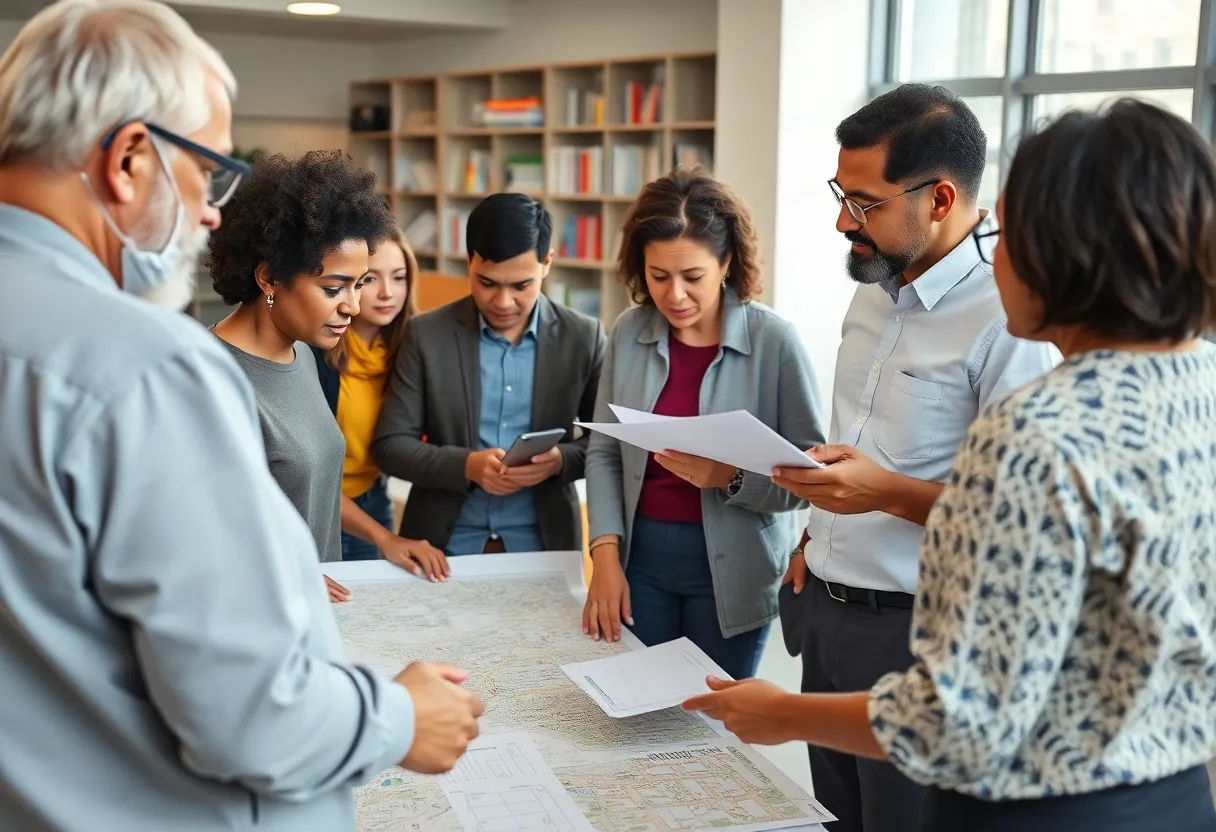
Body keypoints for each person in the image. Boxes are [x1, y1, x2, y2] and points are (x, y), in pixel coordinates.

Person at [0, 2, 482, 830]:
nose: (211, 212)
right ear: (129, 159)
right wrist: (400, 717)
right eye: (206, 173)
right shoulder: (146, 367)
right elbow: (250, 712)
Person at [685, 99, 1216, 832]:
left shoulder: (1038, 433)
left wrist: (781, 714)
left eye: (1010, 233)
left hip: (1043, 807)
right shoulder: (1202, 383)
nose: (993, 251)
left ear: (1065, 253)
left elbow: (965, 720)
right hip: (1175, 795)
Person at [769, 84, 1060, 832]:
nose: (843, 221)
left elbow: (1016, 516)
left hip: (919, 633)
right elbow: (861, 437)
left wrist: (882, 494)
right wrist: (815, 536)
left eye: (863, 203)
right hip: (825, 608)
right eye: (841, 194)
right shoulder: (873, 284)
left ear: (940, 199)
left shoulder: (1011, 319)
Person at [581, 168, 825, 681]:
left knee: (711, 716)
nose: (675, 295)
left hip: (737, 566)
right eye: (658, 276)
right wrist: (604, 557)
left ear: (727, 261)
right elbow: (603, 452)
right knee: (641, 708)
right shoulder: (627, 331)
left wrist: (729, 477)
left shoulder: (775, 341)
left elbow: (811, 480)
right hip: (640, 558)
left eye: (692, 276)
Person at [210, 151, 448, 592]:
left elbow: (310, 490)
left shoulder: (302, 355)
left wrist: (382, 538)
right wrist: (283, 576)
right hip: (262, 611)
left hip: (317, 607)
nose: (353, 306)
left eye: (358, 285)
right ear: (268, 278)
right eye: (334, 288)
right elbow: (196, 529)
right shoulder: (210, 379)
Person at [373, 193, 606, 555]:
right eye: (487, 282)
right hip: (440, 544)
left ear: (546, 263)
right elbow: (390, 446)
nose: (503, 301)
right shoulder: (426, 335)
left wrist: (559, 461)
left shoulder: (584, 337)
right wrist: (465, 466)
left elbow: (607, 444)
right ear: (469, 262)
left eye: (521, 285)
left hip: (544, 544)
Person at [313, 227, 424, 563]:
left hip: (374, 500)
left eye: (399, 277)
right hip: (318, 505)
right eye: (371, 279)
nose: (388, 292)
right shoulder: (315, 351)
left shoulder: (410, 349)